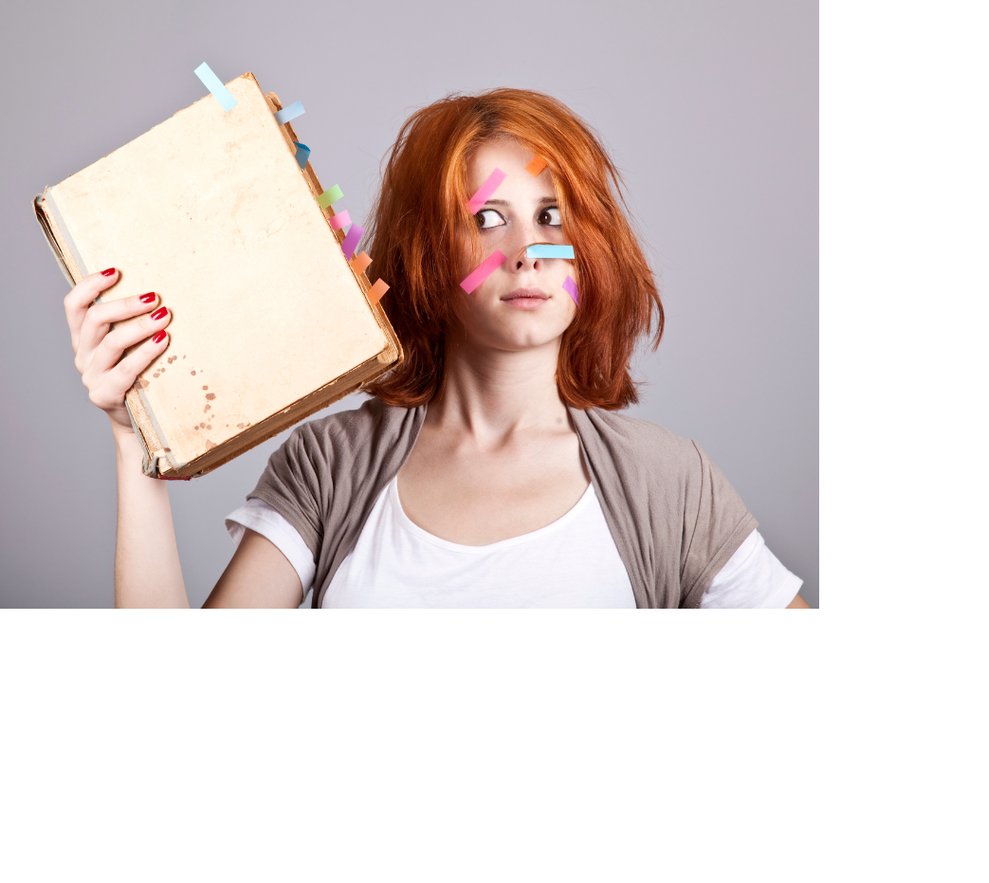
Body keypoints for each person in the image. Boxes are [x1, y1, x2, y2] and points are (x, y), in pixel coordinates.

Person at [64, 87, 808, 609]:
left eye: (552, 215)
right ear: (427, 252)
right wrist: (136, 442)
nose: (526, 251)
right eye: (487, 218)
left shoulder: (667, 482)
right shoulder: (332, 466)